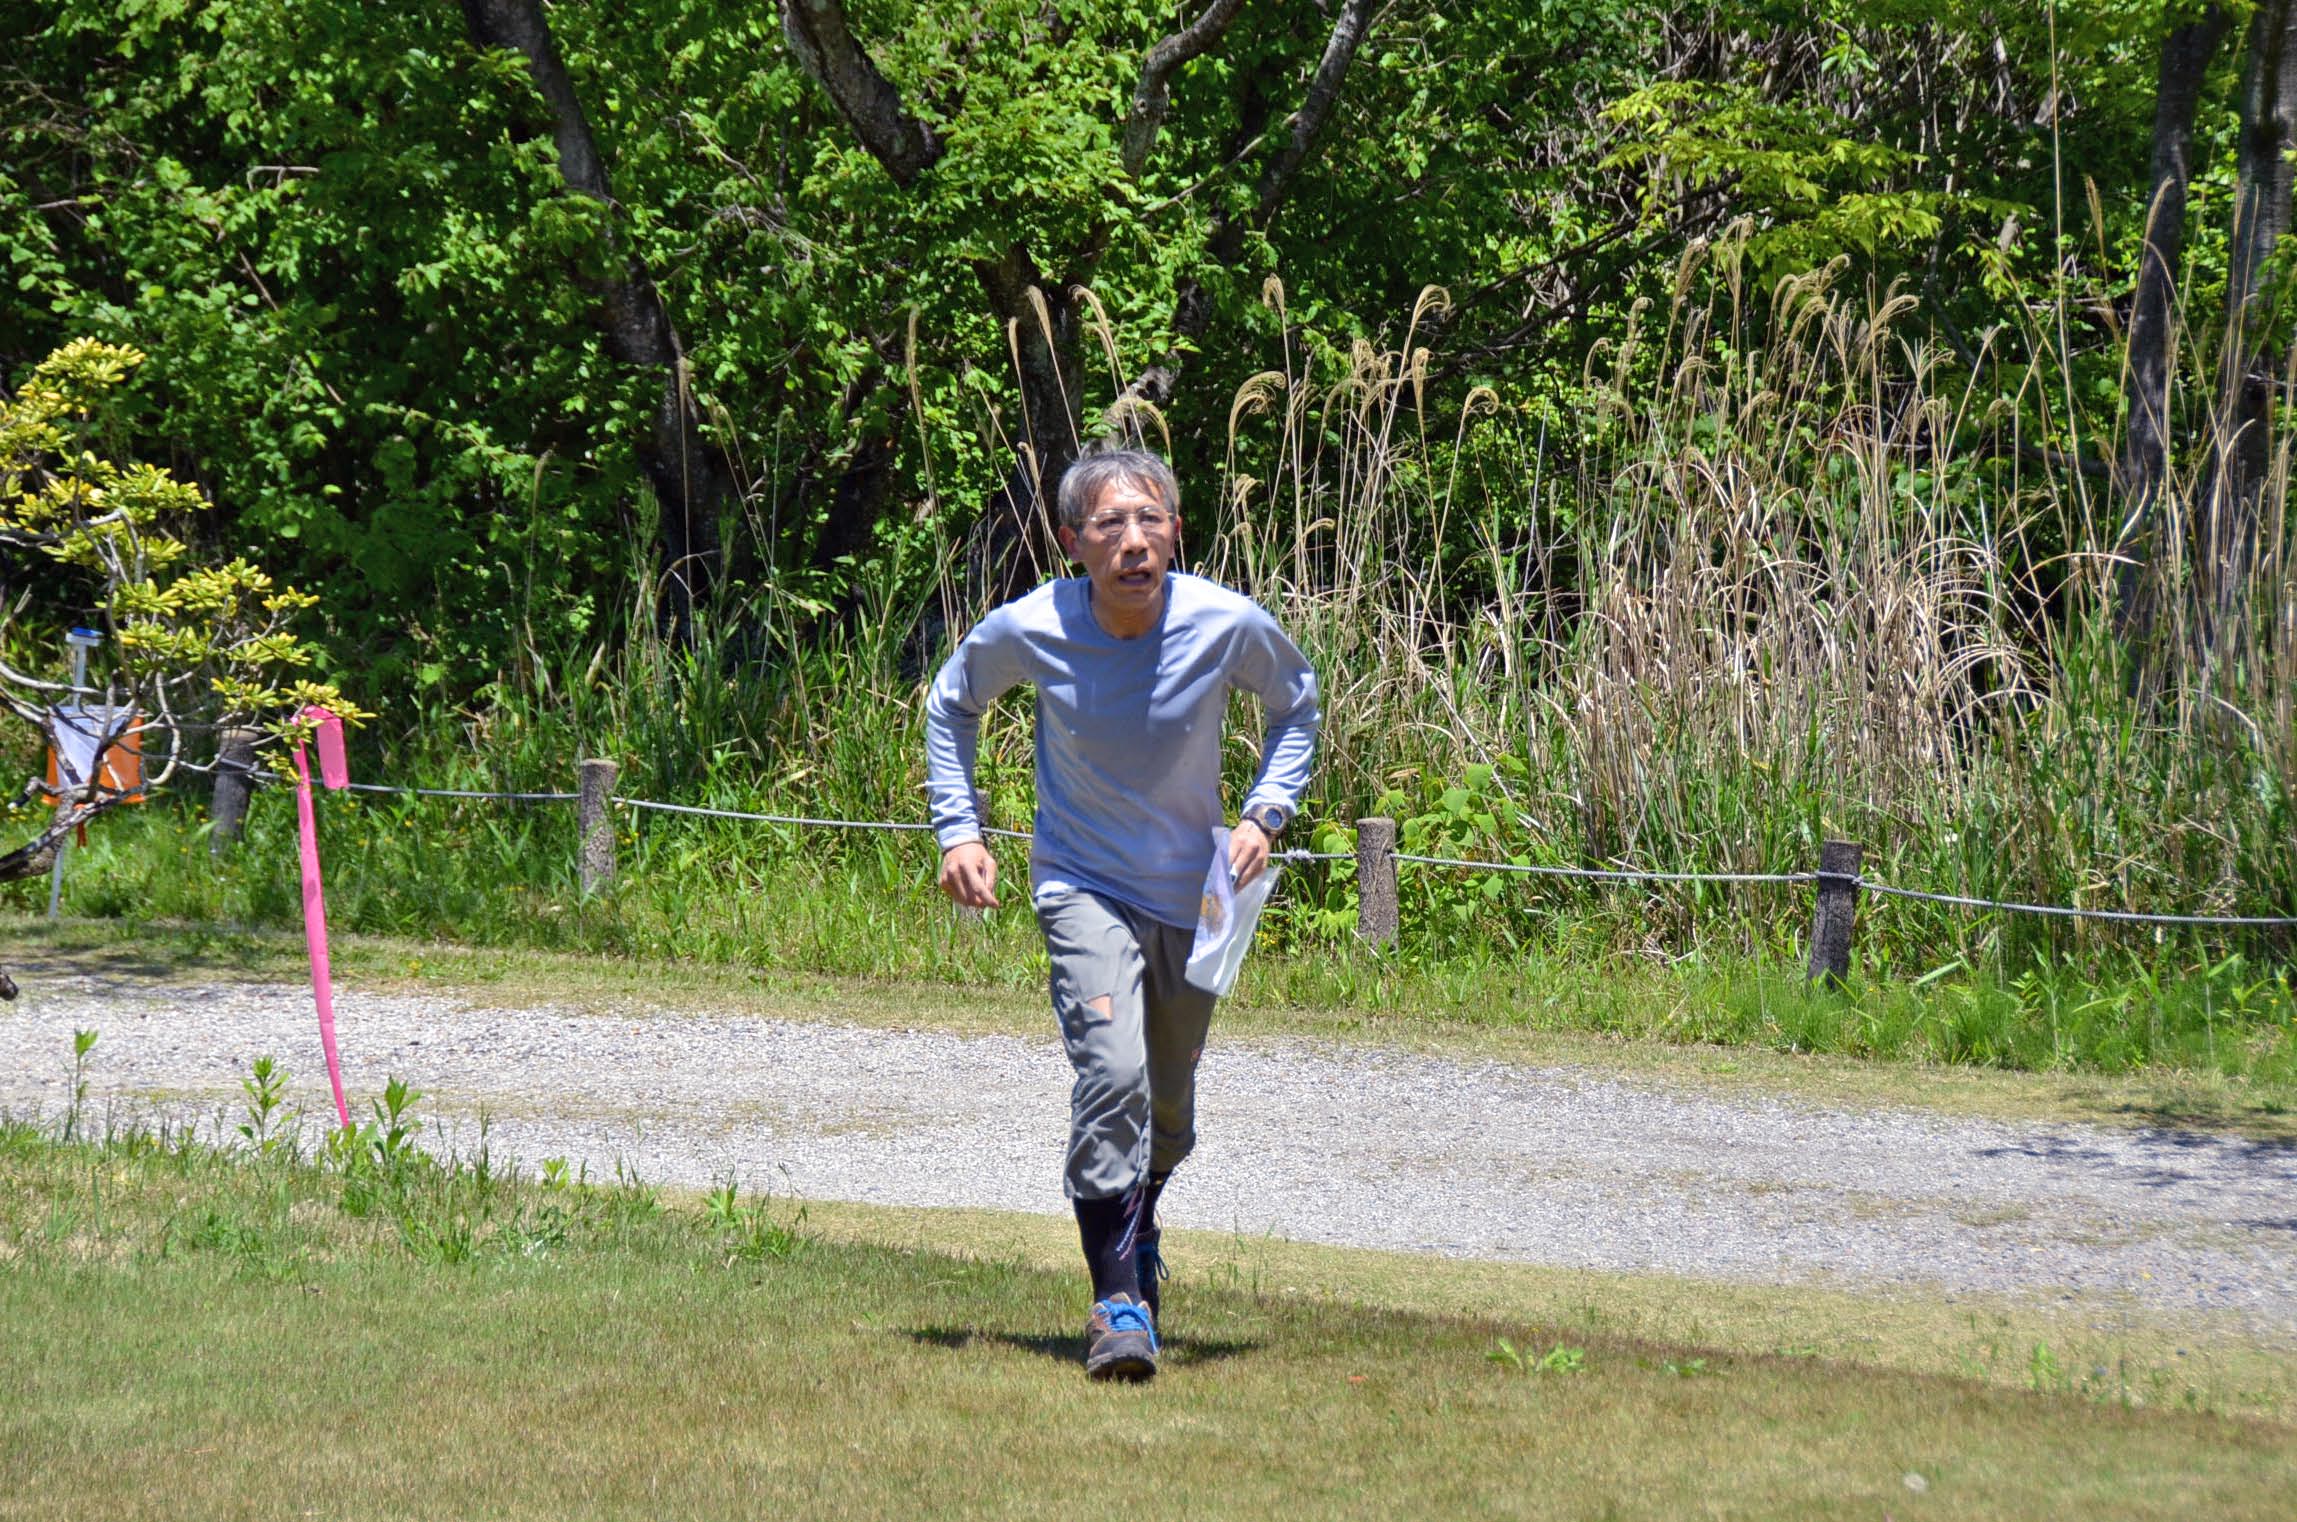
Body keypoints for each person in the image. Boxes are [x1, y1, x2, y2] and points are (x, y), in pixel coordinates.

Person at [924, 447, 1319, 1381]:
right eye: (1109, 524)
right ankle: (1117, 1306)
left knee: (1167, 1112)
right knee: (1111, 1076)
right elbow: (951, 704)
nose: (1132, 541)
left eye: (1149, 521)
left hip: (1198, 895)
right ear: (1074, 542)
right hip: (1080, 885)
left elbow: (1296, 707)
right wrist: (958, 830)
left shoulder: (1225, 622)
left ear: (1176, 531)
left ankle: (1137, 1226)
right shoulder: (1034, 625)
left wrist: (1265, 814)